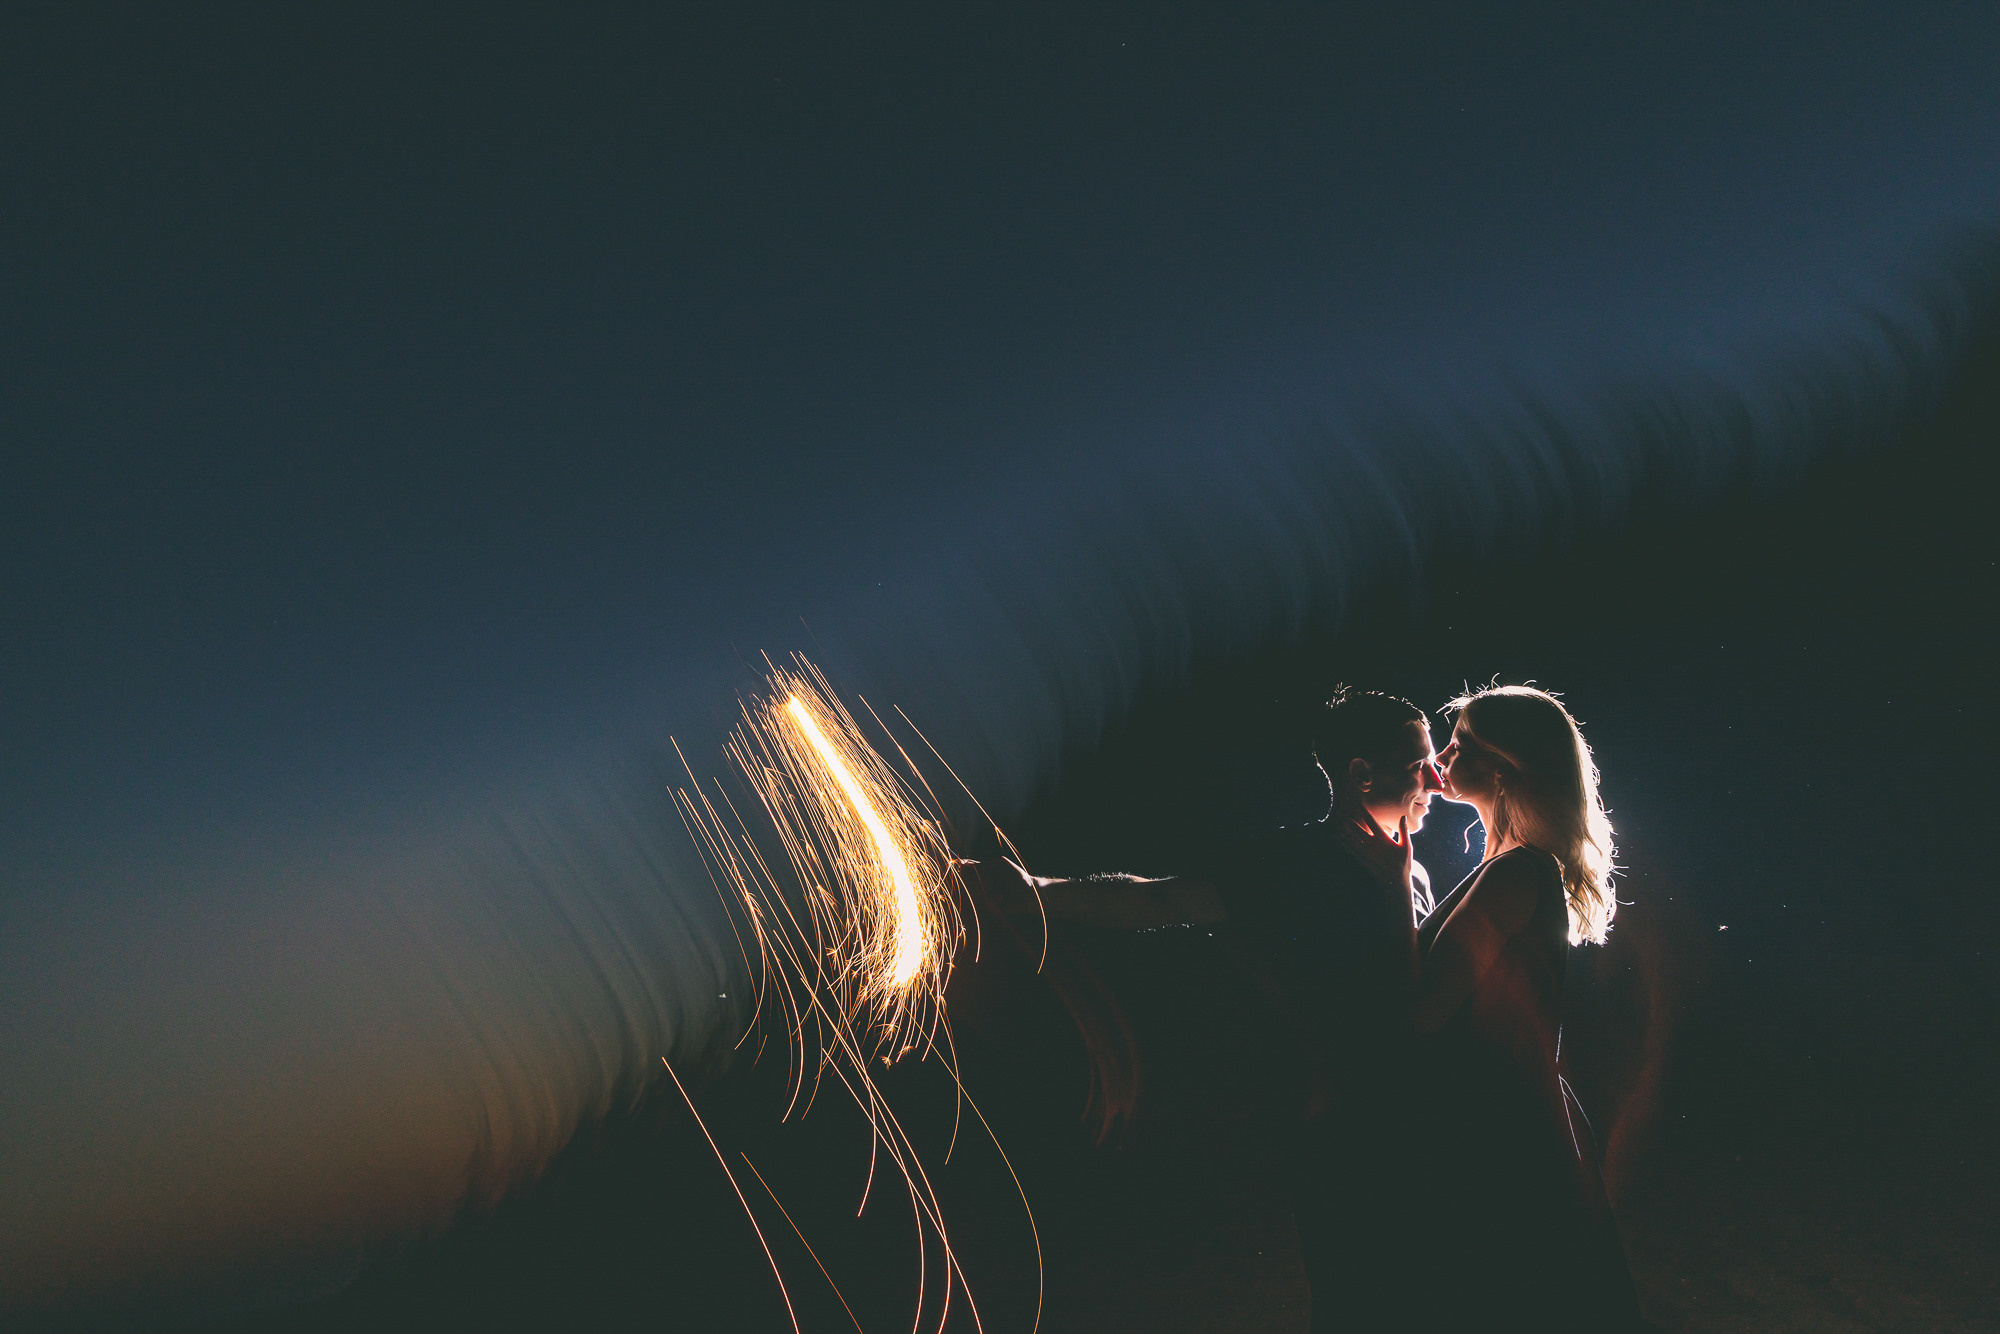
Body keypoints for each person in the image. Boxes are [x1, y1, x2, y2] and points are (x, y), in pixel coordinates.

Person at [968, 687, 1446, 1328]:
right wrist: (1035, 892)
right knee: (1363, 1301)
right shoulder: (1294, 863)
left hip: (1417, 1127)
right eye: (1419, 764)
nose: (1436, 781)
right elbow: (1159, 901)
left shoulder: (1408, 870)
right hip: (1346, 1135)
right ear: (1361, 774)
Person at [1362, 683, 1639, 1330]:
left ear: (1503, 765)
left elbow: (1425, 1012)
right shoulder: (1511, 866)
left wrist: (1393, 883)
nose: (1438, 763)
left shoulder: (1516, 872)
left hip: (1496, 1134)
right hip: (1513, 1117)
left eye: (1458, 747)